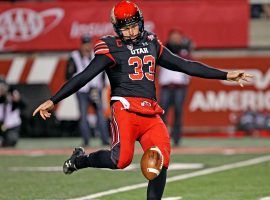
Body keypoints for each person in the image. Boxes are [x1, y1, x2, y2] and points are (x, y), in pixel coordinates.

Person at [33, 1, 252, 199]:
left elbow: (183, 65)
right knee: (120, 160)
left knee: (161, 161)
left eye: (133, 25)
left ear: (141, 22)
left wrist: (225, 74)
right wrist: (54, 100)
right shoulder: (110, 46)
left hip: (150, 113)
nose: (130, 31)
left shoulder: (151, 42)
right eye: (125, 27)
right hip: (125, 109)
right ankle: (80, 159)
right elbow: (84, 77)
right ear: (117, 28)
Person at [66, 35, 109, 146]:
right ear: (81, 45)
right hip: (82, 90)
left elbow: (103, 70)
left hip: (95, 89)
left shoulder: (96, 54)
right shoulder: (75, 56)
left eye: (88, 44)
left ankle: (105, 139)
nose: (86, 47)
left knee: (100, 113)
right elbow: (68, 74)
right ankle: (86, 141)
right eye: (85, 44)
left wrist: (102, 84)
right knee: (83, 115)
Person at [159, 29, 193, 146]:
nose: (175, 39)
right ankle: (162, 136)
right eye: (173, 37)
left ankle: (177, 138)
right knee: (162, 112)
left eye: (177, 37)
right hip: (166, 86)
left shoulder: (184, 50)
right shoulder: (164, 48)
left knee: (178, 112)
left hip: (180, 86)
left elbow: (190, 63)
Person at [0, 77, 25, 147]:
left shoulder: (12, 93)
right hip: (1, 123)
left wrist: (18, 100)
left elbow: (23, 105)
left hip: (12, 125)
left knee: (11, 139)